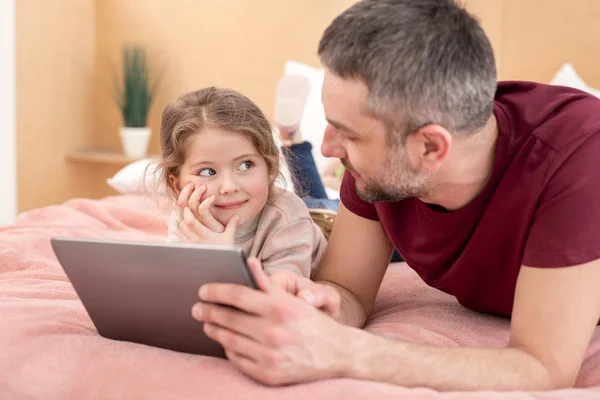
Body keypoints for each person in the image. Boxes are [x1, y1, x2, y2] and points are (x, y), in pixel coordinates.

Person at [190, 0, 600, 392]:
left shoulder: (578, 158)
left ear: (430, 149)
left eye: (348, 133)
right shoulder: (380, 168)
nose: (329, 148)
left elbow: (544, 366)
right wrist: (316, 303)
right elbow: (346, 289)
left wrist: (344, 351)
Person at [159, 86, 327, 278]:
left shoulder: (286, 218)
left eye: (246, 165)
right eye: (207, 171)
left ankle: (293, 138)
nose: (229, 187)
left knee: (319, 197)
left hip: (323, 214)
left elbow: (277, 302)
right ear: (178, 185)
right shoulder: (187, 216)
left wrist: (223, 261)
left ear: (270, 167)